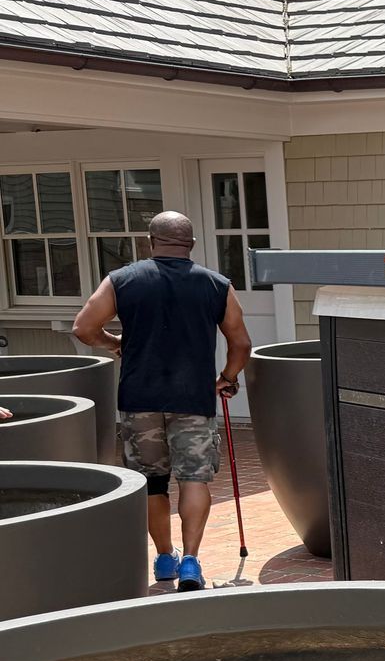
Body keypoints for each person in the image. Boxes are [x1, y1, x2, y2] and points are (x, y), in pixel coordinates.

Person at [73, 211, 252, 590]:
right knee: (194, 478)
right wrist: (227, 379)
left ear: (150, 241)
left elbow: (84, 328)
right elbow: (241, 343)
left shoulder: (122, 280)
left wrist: (113, 343)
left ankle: (165, 558)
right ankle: (191, 562)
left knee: (152, 483)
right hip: (193, 398)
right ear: (190, 244)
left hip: (140, 398)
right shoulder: (216, 285)